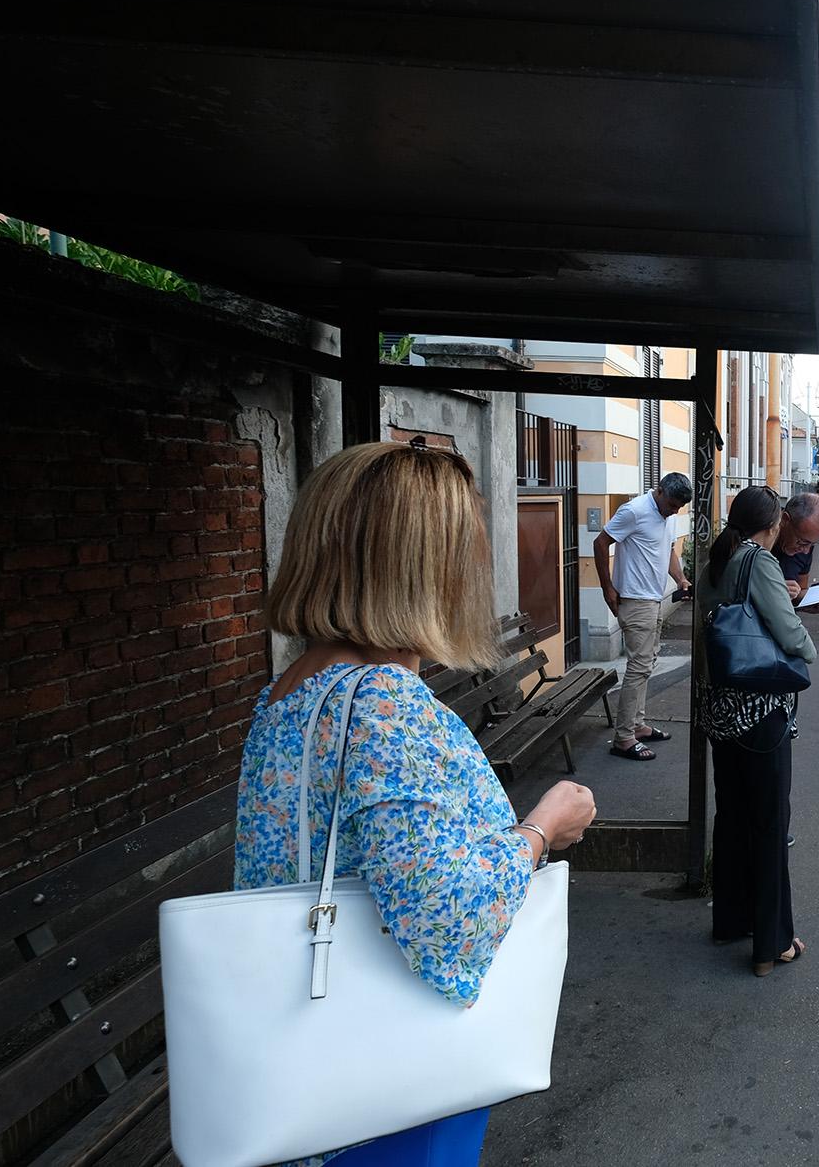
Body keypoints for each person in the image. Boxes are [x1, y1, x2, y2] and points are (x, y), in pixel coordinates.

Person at [239, 440, 599, 1166]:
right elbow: (449, 922)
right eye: (461, 549)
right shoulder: (382, 701)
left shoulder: (292, 689)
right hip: (390, 1100)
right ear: (420, 567)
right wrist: (541, 827)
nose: (473, 569)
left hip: (311, 1066)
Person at [700, 486, 816, 976]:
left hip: (719, 710)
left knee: (732, 816)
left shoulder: (717, 557)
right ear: (772, 526)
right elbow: (789, 636)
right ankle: (772, 944)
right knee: (770, 824)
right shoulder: (761, 561)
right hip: (759, 712)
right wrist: (808, 644)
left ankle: (731, 920)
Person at [594, 472, 693, 761]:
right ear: (659, 491)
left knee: (646, 664)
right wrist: (607, 588)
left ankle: (636, 725)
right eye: (671, 505)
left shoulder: (668, 515)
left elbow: (668, 551)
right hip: (635, 601)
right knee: (638, 668)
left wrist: (681, 579)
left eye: (677, 509)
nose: (673, 512)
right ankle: (623, 738)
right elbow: (601, 543)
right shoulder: (634, 511)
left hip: (653, 599)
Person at [773, 491, 819, 613]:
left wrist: (810, 602)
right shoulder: (761, 541)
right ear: (785, 520)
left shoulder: (806, 547)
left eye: (813, 544)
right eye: (802, 542)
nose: (806, 551)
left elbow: (801, 588)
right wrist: (774, 590)